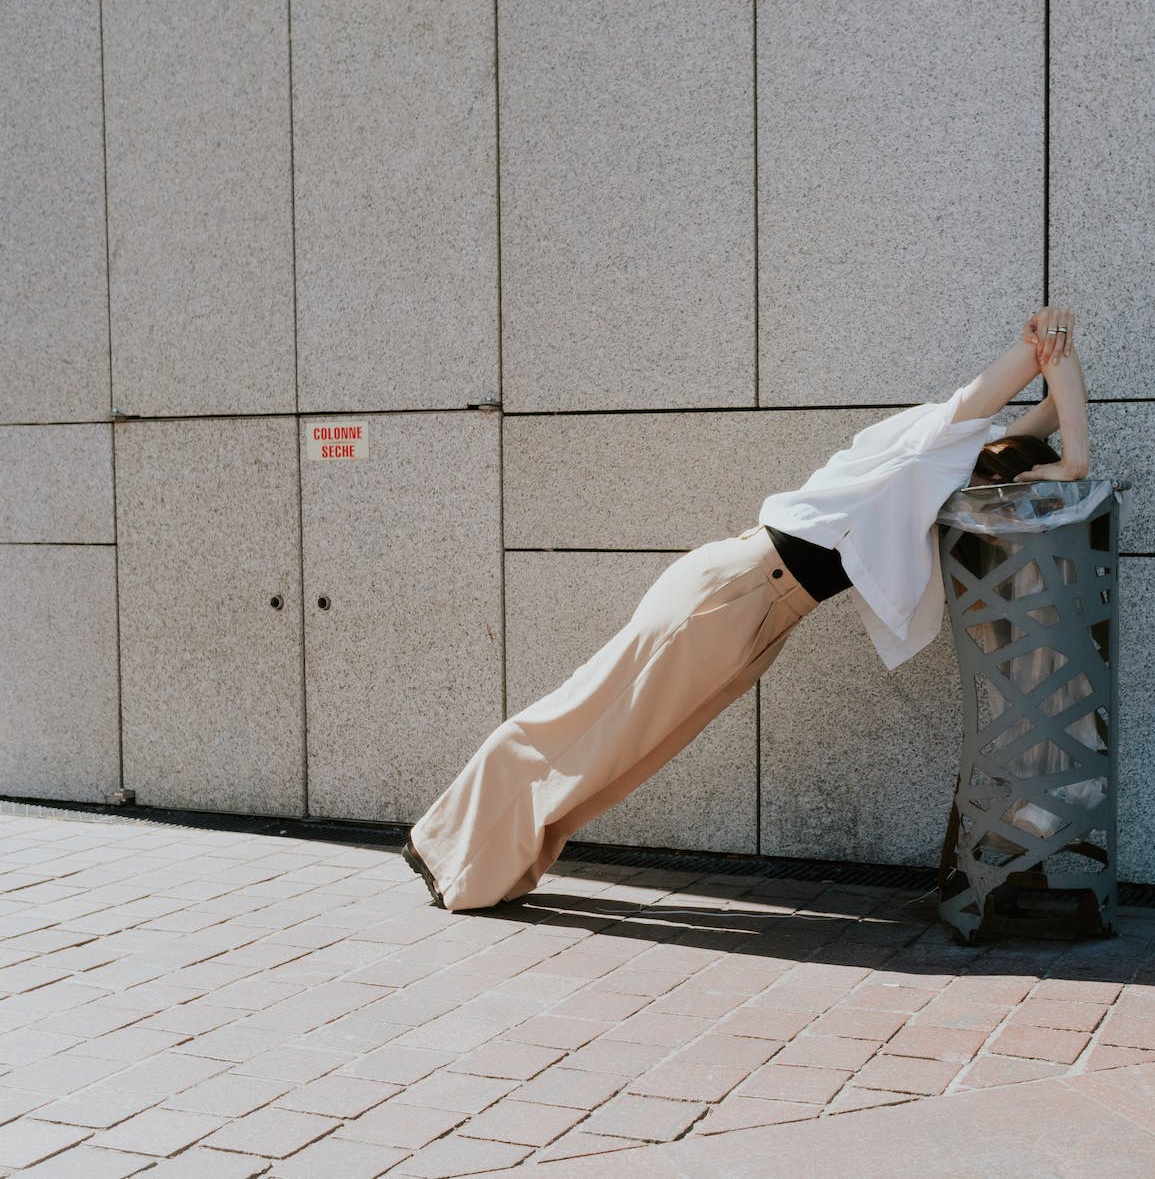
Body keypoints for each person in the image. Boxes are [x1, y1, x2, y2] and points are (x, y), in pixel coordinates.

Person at [402, 305, 1091, 911]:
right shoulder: (933, 436)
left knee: (626, 753)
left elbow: (1045, 411)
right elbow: (1041, 352)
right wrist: (1069, 458)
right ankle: (446, 846)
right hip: (733, 594)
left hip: (755, 612)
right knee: (591, 723)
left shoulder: (942, 463)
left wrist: (1046, 435)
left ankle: (489, 860)